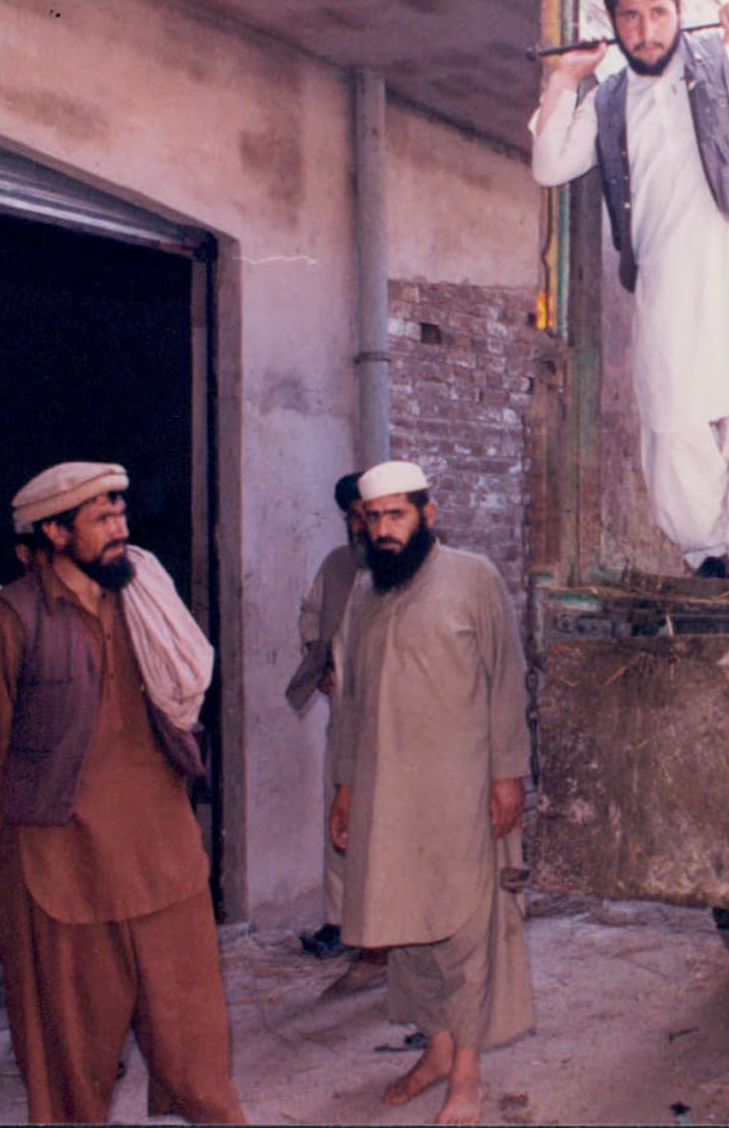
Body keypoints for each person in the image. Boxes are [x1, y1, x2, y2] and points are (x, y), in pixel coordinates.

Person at [0, 462, 245, 1124]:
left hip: (165, 859)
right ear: (56, 531)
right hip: (67, 874)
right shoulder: (11, 619)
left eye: (121, 512)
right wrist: (25, 845)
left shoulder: (145, 596)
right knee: (72, 1062)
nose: (122, 528)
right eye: (102, 517)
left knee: (196, 1044)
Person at [530, 0, 729, 579]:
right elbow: (550, 165)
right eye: (629, 16)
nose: (646, 29)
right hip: (663, 272)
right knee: (672, 418)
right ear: (614, 23)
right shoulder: (605, 100)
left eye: (658, 12)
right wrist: (564, 80)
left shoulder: (728, 55)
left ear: (680, 13)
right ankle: (706, 557)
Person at [329, 460, 533, 1125]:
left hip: (461, 789)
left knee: (465, 929)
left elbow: (506, 678)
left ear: (428, 513)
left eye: (398, 514)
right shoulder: (365, 592)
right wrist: (346, 788)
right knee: (404, 924)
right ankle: (437, 1050)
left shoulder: (474, 577)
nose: (384, 530)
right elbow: (352, 702)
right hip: (387, 795)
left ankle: (467, 1071)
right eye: (374, 518)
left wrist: (508, 773)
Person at [286, 471, 367, 962]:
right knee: (338, 812)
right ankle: (340, 923)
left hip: (402, 719)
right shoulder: (338, 565)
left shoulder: (410, 567)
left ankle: (391, 931)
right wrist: (320, 665)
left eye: (366, 514)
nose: (359, 525)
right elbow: (312, 614)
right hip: (346, 714)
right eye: (352, 517)